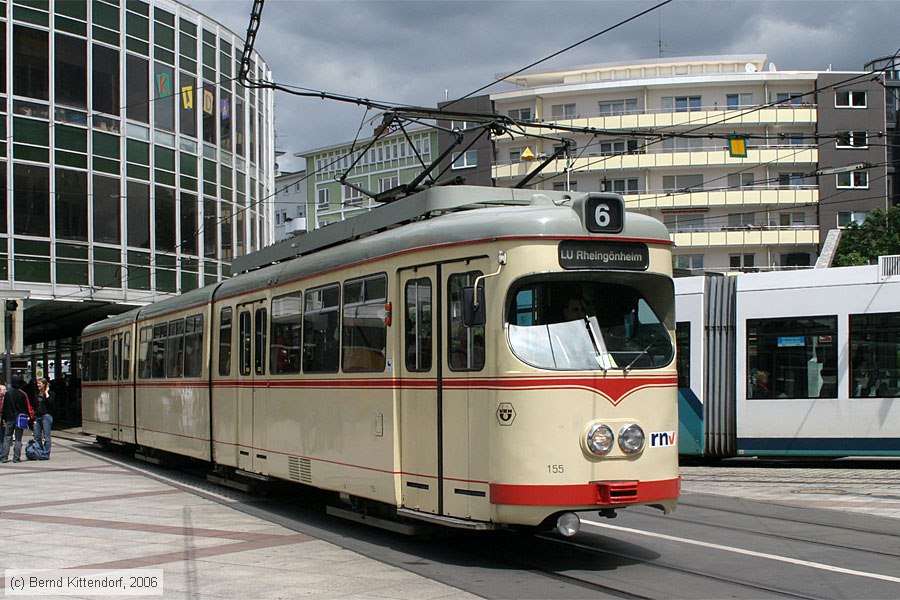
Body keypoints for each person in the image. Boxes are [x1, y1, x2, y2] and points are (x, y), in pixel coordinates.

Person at [0, 376, 35, 463]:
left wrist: (4, 418)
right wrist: (28, 417)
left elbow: (5, 407)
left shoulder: (8, 394)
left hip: (9, 418)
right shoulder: (22, 394)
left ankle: (4, 456)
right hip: (19, 418)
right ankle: (16, 457)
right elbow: (26, 407)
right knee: (18, 438)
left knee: (7, 437)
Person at [32, 377, 54, 460]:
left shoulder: (51, 393)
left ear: (44, 385)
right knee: (37, 436)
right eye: (37, 383)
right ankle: (39, 452)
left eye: (39, 384)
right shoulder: (36, 393)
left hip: (46, 416)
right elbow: (34, 405)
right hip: (37, 416)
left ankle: (45, 454)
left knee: (46, 436)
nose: (38, 385)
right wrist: (33, 418)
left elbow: (51, 403)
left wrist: (47, 392)